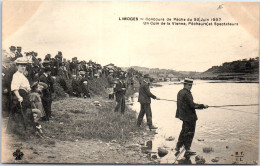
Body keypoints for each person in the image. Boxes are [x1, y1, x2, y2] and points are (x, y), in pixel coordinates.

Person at [175, 78, 208, 157]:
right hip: (189, 116)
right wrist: (202, 106)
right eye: (189, 85)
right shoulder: (187, 93)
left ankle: (178, 146)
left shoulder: (180, 92)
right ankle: (188, 149)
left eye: (191, 85)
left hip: (183, 115)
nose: (190, 86)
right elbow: (192, 105)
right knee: (190, 132)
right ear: (185, 84)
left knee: (184, 131)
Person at [7, 57, 34, 134]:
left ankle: (26, 129)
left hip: (24, 94)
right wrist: (19, 97)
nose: (23, 67)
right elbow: (15, 87)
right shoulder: (16, 75)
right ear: (17, 66)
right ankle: (19, 130)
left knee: (26, 112)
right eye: (21, 66)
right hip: (20, 95)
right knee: (19, 112)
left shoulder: (22, 75)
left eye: (24, 66)